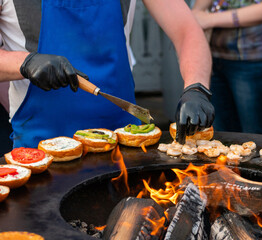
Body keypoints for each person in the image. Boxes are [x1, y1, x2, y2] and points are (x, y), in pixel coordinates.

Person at [0, 0, 214, 147]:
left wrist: (196, 87)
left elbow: (187, 31)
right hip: (39, 149)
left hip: (123, 144)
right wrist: (25, 62)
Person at [191, 0, 262, 135]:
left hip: (253, 58)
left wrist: (209, 19)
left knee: (258, 138)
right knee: (221, 136)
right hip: (213, 56)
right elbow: (197, 12)